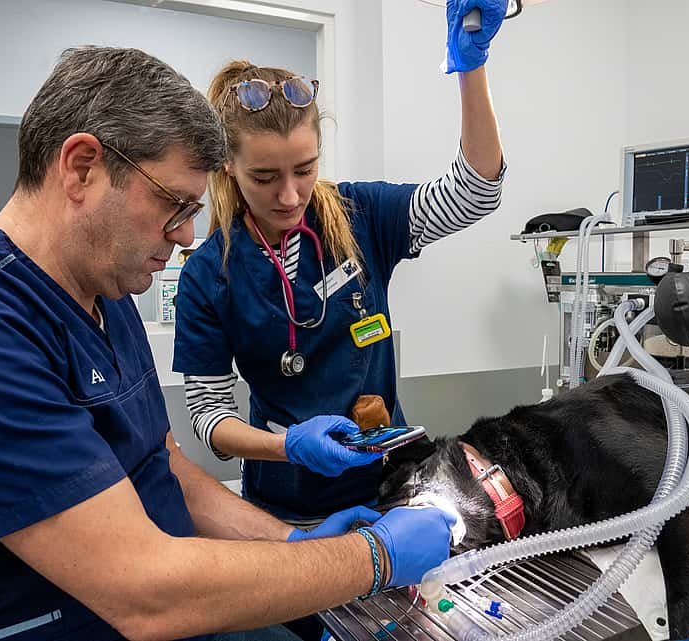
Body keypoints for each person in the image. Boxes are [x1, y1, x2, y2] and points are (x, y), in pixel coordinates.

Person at [0, 46, 455, 641]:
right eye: (174, 204)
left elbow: (163, 463)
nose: (187, 234)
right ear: (82, 168)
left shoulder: (106, 294)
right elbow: (142, 590)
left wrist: (289, 540)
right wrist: (370, 558)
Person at [172, 0, 508, 525]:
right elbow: (209, 417)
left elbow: (476, 193)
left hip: (394, 488)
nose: (289, 195)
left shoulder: (361, 216)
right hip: (288, 506)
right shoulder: (207, 276)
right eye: (264, 177)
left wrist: (471, 69)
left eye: (305, 170)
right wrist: (287, 448)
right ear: (228, 167)